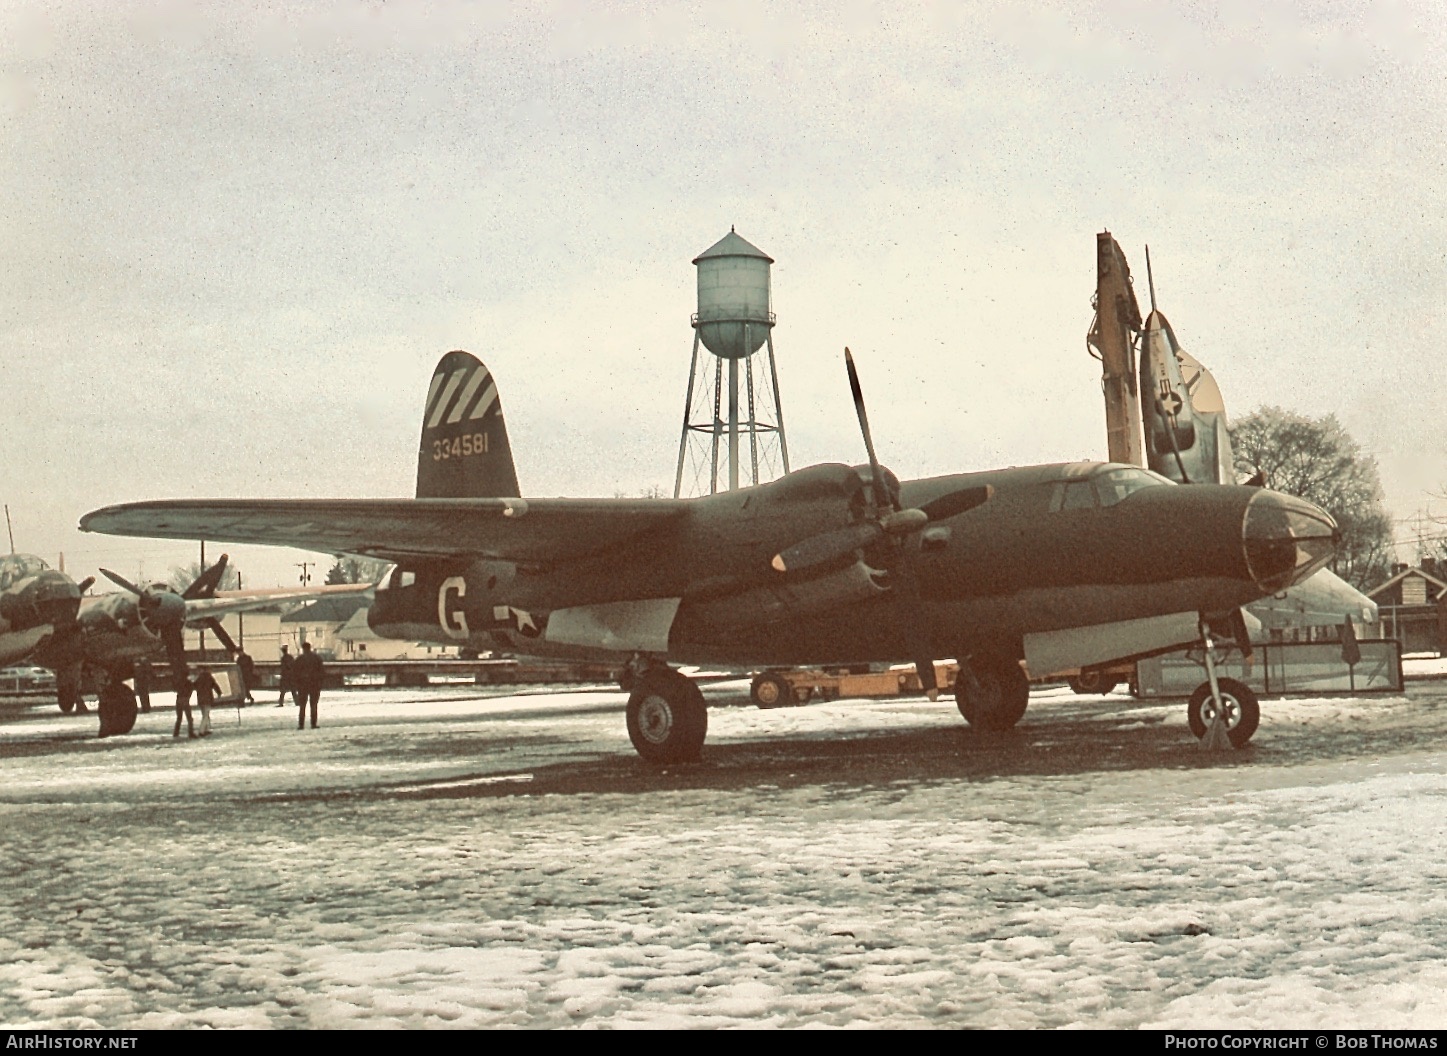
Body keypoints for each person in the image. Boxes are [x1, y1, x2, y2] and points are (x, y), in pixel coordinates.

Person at [293, 640, 323, 730]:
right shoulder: (317, 658)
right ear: (310, 648)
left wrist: (297, 684)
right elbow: (321, 671)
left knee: (302, 706)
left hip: (303, 685)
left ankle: (301, 724)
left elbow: (295, 673)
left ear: (303, 649)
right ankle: (313, 723)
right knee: (313, 705)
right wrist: (319, 683)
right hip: (314, 684)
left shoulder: (299, 659)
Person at [194, 668, 220, 738]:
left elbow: (194, 686)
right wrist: (219, 693)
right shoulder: (209, 677)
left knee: (204, 714)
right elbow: (215, 685)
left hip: (200, 699)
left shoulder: (199, 678)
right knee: (206, 715)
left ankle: (206, 729)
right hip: (207, 698)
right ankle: (201, 731)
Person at [173, 674, 195, 739]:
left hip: (179, 700)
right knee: (189, 718)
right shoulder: (189, 684)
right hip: (185, 700)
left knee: (179, 718)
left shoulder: (180, 682)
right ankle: (191, 733)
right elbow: (189, 691)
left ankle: (176, 733)